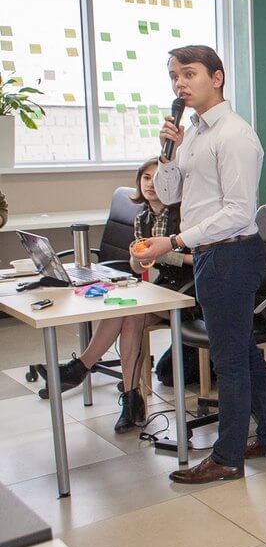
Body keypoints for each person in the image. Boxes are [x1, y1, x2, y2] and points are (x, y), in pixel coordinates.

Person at [143, 44, 266, 484]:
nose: (180, 84)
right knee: (240, 350)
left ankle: (227, 457)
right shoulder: (194, 133)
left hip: (232, 254)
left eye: (189, 74)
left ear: (217, 77)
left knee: (229, 360)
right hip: (210, 254)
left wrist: (174, 241)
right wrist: (168, 154)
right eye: (174, 76)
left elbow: (238, 212)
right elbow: (170, 193)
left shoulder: (234, 135)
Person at [38, 157, 193, 433]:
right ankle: (132, 402)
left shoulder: (184, 215)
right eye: (146, 178)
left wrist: (165, 254)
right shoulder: (143, 217)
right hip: (160, 290)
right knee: (130, 315)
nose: (151, 185)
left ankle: (79, 369)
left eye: (158, 178)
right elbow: (140, 268)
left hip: (189, 291)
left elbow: (200, 259)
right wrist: (137, 257)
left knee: (132, 311)